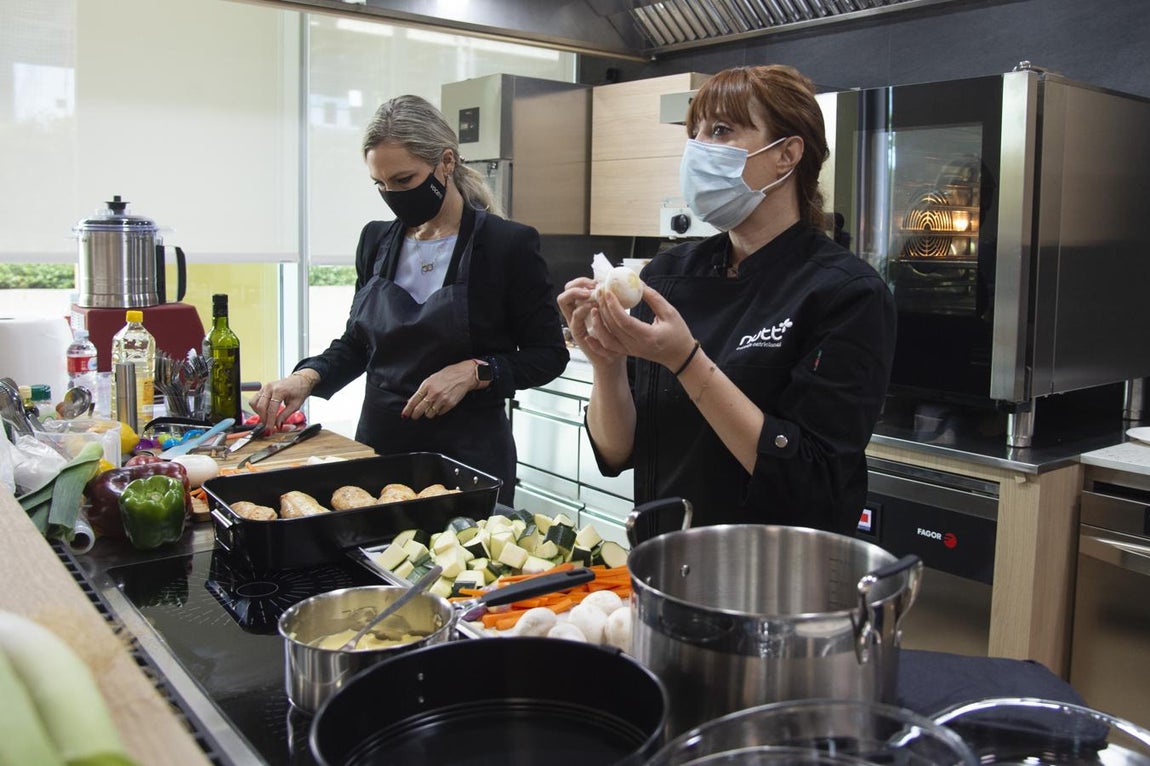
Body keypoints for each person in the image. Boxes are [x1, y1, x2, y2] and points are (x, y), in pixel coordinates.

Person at [557, 65, 896, 534]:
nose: (697, 151)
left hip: (776, 576)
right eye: (693, 134)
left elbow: (812, 478)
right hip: (664, 563)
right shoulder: (669, 274)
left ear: (787, 155)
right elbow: (618, 452)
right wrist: (606, 362)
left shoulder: (845, 293)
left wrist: (685, 359)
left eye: (720, 131)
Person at [253, 95, 569, 505]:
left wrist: (476, 371)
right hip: (380, 451)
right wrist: (306, 378)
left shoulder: (507, 245)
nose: (392, 194)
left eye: (404, 180)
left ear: (446, 163)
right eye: (380, 184)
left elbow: (548, 355)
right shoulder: (375, 240)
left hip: (468, 459)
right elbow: (358, 344)